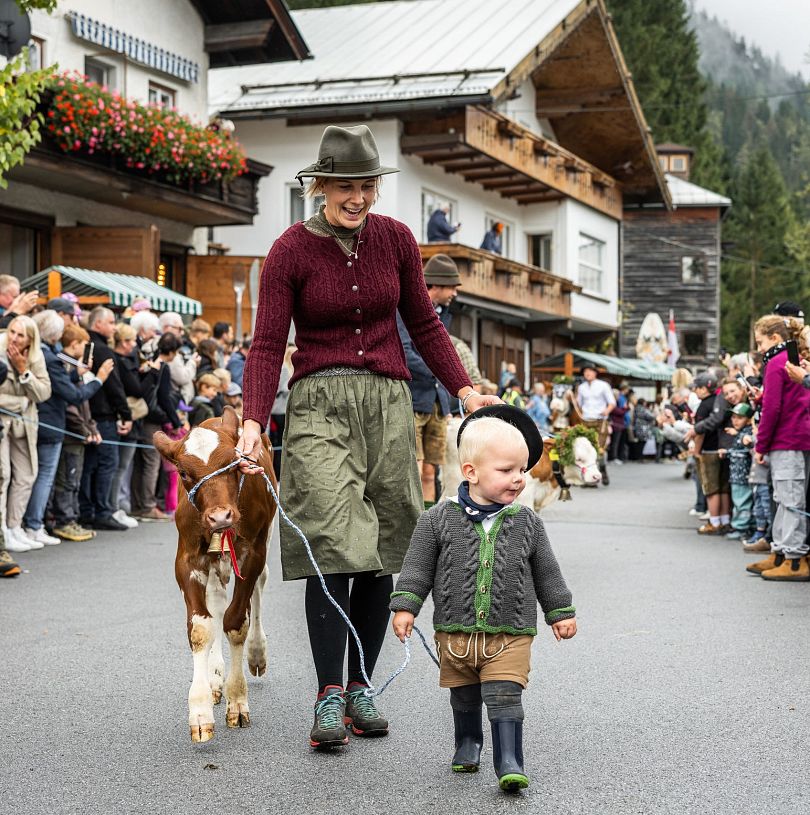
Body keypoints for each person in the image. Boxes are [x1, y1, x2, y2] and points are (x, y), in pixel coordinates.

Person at [235, 124, 497, 749]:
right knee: (331, 540)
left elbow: (426, 325)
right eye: (346, 186)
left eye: (367, 185)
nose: (357, 197)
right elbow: (268, 342)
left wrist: (463, 389)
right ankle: (328, 694)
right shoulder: (289, 251)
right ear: (320, 185)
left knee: (388, 542)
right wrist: (251, 419)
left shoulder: (398, 241)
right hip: (319, 404)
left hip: (387, 401)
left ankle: (361, 686)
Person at [390, 409, 576, 791]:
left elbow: (547, 573)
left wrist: (560, 611)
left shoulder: (528, 522)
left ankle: (509, 759)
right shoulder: (437, 520)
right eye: (507, 470)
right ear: (471, 472)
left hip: (511, 632)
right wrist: (406, 606)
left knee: (505, 693)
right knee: (464, 694)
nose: (519, 479)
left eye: (522, 470)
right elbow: (417, 568)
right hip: (455, 635)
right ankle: (468, 742)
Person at [23, 310, 110, 545]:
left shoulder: (48, 354)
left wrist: (76, 375)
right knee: (45, 478)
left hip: (48, 423)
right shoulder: (50, 357)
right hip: (50, 424)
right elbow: (72, 396)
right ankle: (34, 524)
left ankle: (36, 524)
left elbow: (59, 385)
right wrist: (99, 378)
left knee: (42, 477)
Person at [746, 315, 810, 581]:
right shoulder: (791, 361)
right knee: (784, 497)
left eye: (760, 342)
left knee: (790, 499)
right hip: (795, 437)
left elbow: (772, 409)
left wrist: (761, 444)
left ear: (774, 338)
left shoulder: (775, 362)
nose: (759, 348)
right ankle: (781, 551)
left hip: (788, 439)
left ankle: (795, 557)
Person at [397, 253, 462, 508]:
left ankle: (428, 524)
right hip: (413, 400)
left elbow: (441, 350)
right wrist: (439, 370)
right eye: (452, 287)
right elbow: (405, 352)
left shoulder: (445, 314)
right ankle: (413, 524)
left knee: (431, 471)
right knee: (415, 467)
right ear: (434, 285)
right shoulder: (404, 309)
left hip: (436, 401)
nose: (455, 293)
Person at [0, 316, 52, 552]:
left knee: (27, 474)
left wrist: (24, 371)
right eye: (12, 331)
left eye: (21, 335)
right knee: (3, 475)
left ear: (30, 339)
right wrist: (20, 402)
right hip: (4, 422)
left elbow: (44, 392)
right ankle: (2, 532)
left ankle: (14, 527)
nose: (14, 338)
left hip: (24, 425)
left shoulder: (35, 355)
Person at [80, 307, 132, 532]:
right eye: (111, 322)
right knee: (105, 465)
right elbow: (115, 386)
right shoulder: (102, 350)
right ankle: (102, 511)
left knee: (90, 465)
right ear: (98, 324)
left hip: (87, 413)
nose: (114, 327)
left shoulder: (86, 346)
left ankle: (87, 511)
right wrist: (126, 413)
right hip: (103, 415)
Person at [50, 324, 100, 543]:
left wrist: (91, 428)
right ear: (75, 344)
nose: (86, 348)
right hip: (71, 434)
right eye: (83, 344)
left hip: (79, 432)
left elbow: (83, 406)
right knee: (67, 479)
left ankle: (70, 519)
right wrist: (83, 430)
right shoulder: (63, 365)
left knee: (74, 479)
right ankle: (63, 521)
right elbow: (72, 404)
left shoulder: (74, 368)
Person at [131, 333, 182, 523]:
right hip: (153, 419)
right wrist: (175, 422)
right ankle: (148, 506)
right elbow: (164, 397)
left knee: (140, 463)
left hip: (140, 415)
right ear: (173, 351)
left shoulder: (148, 362)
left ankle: (138, 504)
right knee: (151, 463)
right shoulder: (162, 367)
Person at [686, 372, 731, 535]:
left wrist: (696, 451)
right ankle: (725, 520)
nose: (695, 391)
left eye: (697, 388)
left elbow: (700, 432)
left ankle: (714, 521)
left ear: (704, 388)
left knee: (711, 489)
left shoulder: (704, 406)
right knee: (724, 488)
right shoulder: (721, 401)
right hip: (722, 448)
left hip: (709, 450)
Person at [109, 323, 144, 528]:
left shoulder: (128, 360)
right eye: (130, 341)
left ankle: (118, 506)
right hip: (124, 418)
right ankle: (114, 507)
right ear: (122, 341)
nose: (133, 345)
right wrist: (150, 374)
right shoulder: (121, 362)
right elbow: (137, 389)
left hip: (128, 419)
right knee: (119, 467)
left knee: (122, 467)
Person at [718, 403, 755, 542]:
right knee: (741, 501)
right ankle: (746, 526)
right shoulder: (741, 433)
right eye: (733, 417)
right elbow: (738, 452)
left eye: (739, 417)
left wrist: (729, 452)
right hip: (737, 475)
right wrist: (727, 452)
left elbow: (746, 450)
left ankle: (741, 527)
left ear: (748, 419)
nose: (735, 420)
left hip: (743, 476)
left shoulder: (747, 434)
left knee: (742, 503)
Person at [576, 363, 614, 483]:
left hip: (600, 420)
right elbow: (579, 404)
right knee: (587, 449)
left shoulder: (603, 385)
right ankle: (591, 477)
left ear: (595, 373)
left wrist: (606, 411)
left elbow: (612, 402)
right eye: (585, 371)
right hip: (586, 421)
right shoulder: (581, 387)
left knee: (599, 449)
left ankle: (602, 470)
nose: (587, 373)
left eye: (590, 371)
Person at [160, 312, 197, 405]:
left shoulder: (167, 345)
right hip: (175, 403)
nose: (182, 332)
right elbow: (182, 377)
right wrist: (193, 362)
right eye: (179, 329)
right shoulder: (168, 348)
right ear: (167, 328)